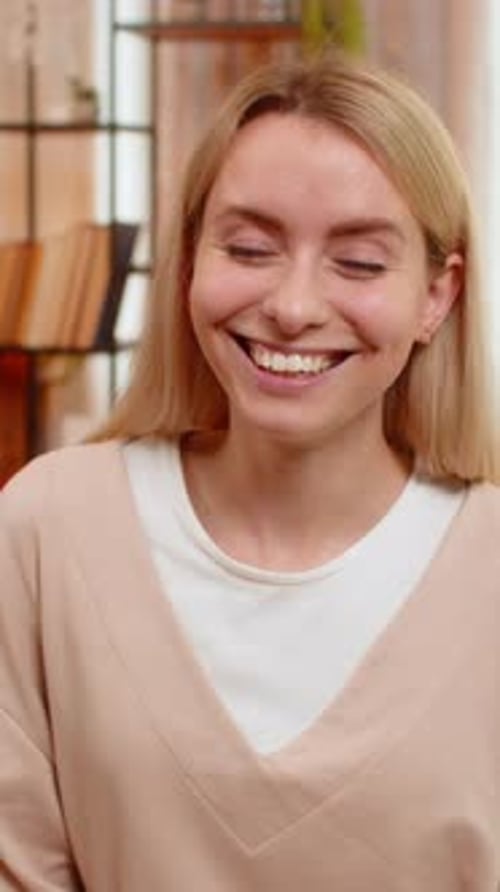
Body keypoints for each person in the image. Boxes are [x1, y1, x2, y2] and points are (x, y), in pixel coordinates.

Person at [1, 48, 499, 891]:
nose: (294, 308)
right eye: (250, 247)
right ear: (191, 260)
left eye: (361, 263)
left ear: (436, 297)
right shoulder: (48, 526)